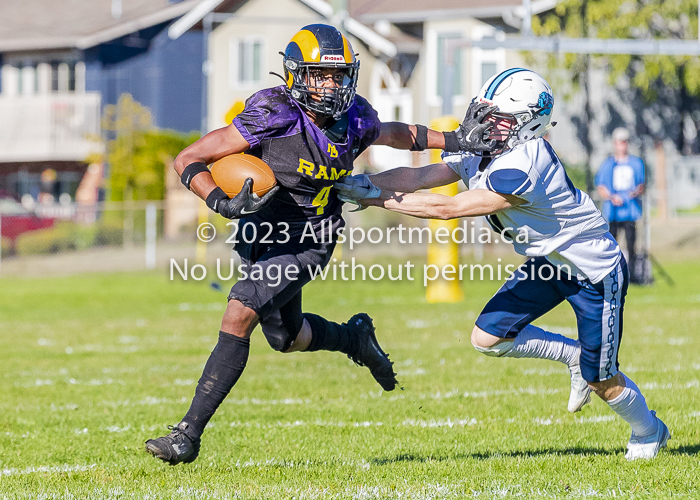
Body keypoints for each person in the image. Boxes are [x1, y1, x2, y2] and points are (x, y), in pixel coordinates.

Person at [145, 24, 477, 465]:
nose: (331, 85)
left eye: (338, 75)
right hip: (261, 234)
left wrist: (455, 139)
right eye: (320, 74)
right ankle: (355, 340)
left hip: (310, 239)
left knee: (239, 312)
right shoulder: (274, 113)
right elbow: (188, 158)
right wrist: (219, 200)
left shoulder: (355, 117)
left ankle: (187, 434)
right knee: (285, 337)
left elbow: (396, 132)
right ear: (296, 74)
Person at [336, 68, 670, 460]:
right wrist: (368, 181)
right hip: (548, 261)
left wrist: (375, 196)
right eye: (486, 111)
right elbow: (422, 174)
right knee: (487, 338)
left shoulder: (526, 162)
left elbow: (448, 208)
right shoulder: (491, 146)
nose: (485, 123)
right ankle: (572, 356)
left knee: (602, 380)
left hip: (593, 273)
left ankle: (649, 431)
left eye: (499, 118)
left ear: (528, 124)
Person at [595, 128, 645, 281]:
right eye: (620, 142)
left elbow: (641, 184)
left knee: (631, 245)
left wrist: (635, 192)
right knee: (611, 246)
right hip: (613, 212)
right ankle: (611, 275)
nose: (622, 146)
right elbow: (601, 186)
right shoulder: (608, 164)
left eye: (625, 142)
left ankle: (632, 275)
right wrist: (611, 197)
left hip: (630, 211)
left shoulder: (636, 163)